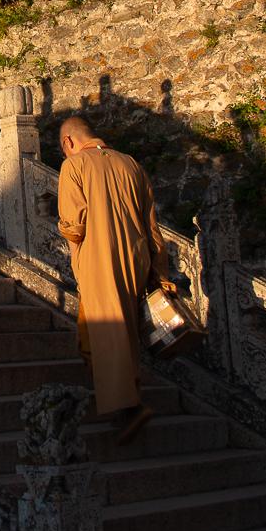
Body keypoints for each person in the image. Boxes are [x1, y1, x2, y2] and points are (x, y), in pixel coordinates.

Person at [56, 115, 176, 444]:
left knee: (107, 330)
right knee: (109, 331)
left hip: (99, 257)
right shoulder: (130, 164)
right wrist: (159, 272)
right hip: (137, 258)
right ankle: (121, 396)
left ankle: (128, 407)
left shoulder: (75, 167)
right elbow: (153, 227)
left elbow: (74, 226)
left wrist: (61, 227)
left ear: (68, 142)